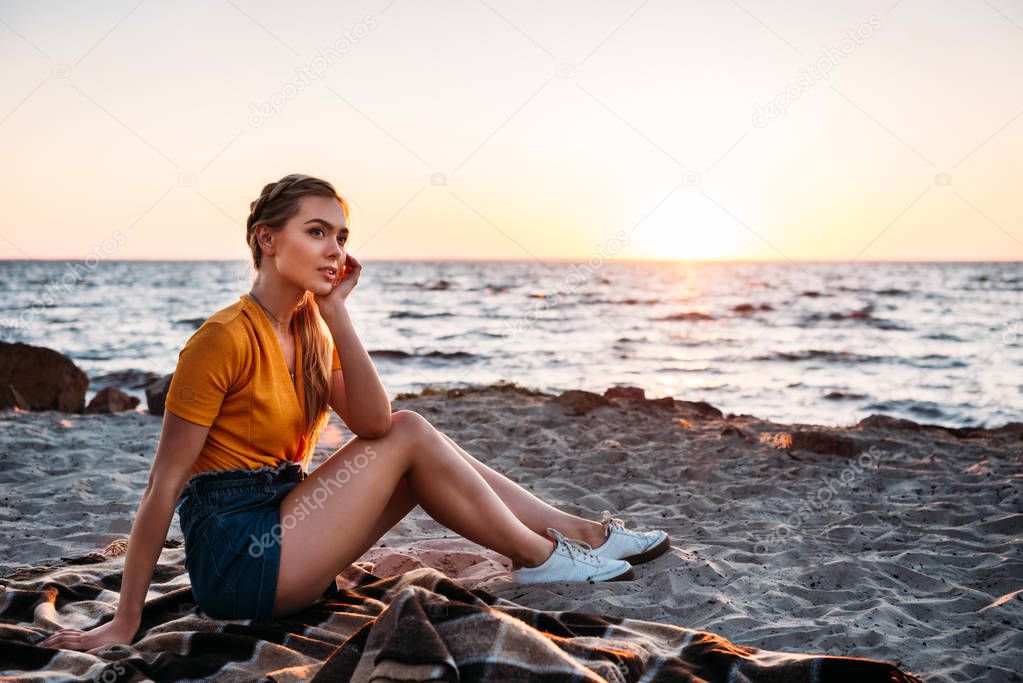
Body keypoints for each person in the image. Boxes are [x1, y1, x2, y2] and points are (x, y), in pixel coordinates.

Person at [40, 173, 670, 654]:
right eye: (316, 231)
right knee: (412, 433)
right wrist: (125, 620)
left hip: (293, 527)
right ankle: (543, 556)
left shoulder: (312, 328)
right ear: (267, 239)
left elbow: (372, 423)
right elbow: (162, 486)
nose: (333, 248)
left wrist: (338, 311)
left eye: (340, 236)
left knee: (409, 439)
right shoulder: (223, 338)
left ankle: (583, 536)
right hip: (239, 558)